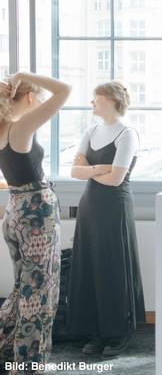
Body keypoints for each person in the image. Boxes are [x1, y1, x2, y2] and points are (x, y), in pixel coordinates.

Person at [0, 72, 71, 372]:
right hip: (35, 215)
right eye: (38, 96)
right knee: (40, 292)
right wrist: (23, 75)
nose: (41, 102)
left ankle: (9, 351)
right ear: (29, 97)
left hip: (15, 210)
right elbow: (65, 90)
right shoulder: (19, 128)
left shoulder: (3, 128)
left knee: (23, 287)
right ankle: (28, 364)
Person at [68, 81, 144, 357]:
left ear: (110, 101)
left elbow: (115, 179)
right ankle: (97, 330)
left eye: (95, 99)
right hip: (90, 205)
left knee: (112, 266)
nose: (91, 104)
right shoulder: (91, 130)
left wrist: (90, 169)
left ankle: (117, 331)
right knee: (91, 266)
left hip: (114, 206)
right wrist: (100, 168)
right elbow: (74, 172)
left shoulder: (127, 133)